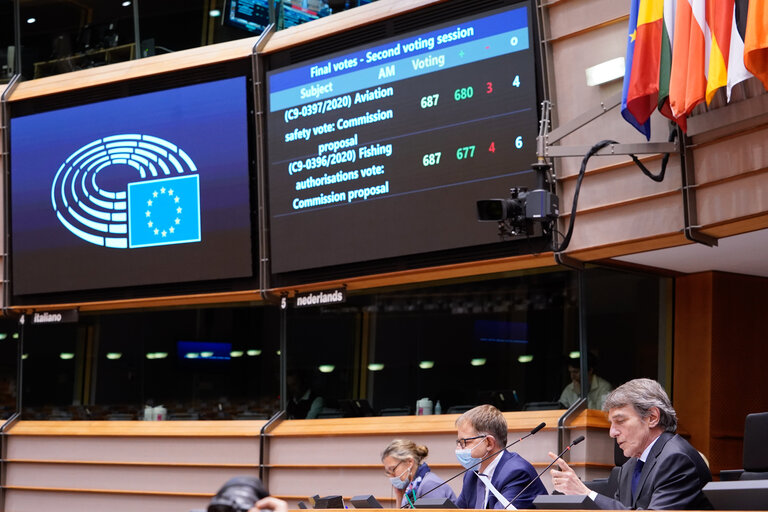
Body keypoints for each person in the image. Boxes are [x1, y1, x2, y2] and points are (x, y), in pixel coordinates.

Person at [549, 378, 712, 510]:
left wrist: (586, 494)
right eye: (611, 424)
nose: (612, 433)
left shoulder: (677, 459)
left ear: (652, 417)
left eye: (620, 421)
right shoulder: (630, 466)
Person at [454, 405, 547, 509]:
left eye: (464, 442)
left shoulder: (517, 473)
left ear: (489, 443)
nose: (459, 449)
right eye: (458, 442)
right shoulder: (471, 475)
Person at [382, 439, 457, 507]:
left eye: (393, 469)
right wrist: (399, 497)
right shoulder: (410, 488)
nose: (392, 476)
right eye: (388, 472)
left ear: (409, 462)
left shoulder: (429, 484)